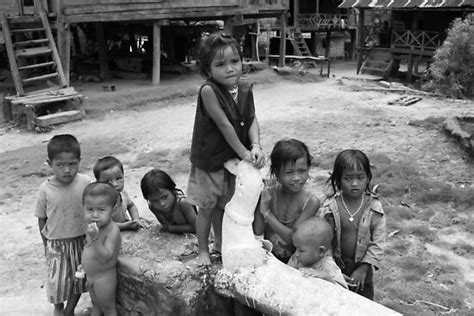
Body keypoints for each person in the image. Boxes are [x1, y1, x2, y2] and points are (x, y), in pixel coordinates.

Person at [187, 31, 265, 265]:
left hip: (232, 159)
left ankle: (221, 244)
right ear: (208, 70)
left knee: (226, 203)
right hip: (210, 159)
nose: (230, 68)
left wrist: (256, 145)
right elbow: (224, 125)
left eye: (235, 61)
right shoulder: (209, 91)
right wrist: (244, 153)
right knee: (207, 207)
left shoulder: (244, 88)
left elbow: (251, 119)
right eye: (220, 64)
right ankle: (203, 249)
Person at [34, 134, 92, 316]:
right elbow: (41, 218)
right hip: (56, 245)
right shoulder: (45, 189)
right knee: (57, 283)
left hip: (82, 241)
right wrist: (46, 244)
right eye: (60, 165)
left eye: (72, 164)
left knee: (79, 279)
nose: (67, 170)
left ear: (79, 161)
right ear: (49, 163)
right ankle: (59, 309)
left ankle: (70, 310)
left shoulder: (86, 182)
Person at [317, 149, 386, 300]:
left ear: (368, 178)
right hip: (335, 267)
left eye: (360, 177)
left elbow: (378, 242)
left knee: (363, 306)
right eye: (348, 178)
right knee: (336, 304)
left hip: (363, 269)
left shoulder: (374, 208)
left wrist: (363, 268)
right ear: (338, 180)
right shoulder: (330, 208)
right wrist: (333, 270)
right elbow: (323, 240)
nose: (354, 183)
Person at [253, 139, 320, 264]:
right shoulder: (269, 194)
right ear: (277, 173)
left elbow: (293, 238)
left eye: (302, 171)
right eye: (289, 172)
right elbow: (258, 231)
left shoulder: (311, 202)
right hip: (271, 258)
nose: (296, 178)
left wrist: (267, 213)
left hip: (297, 262)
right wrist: (261, 206)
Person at [81, 182, 121, 316]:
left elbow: (106, 257)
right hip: (91, 276)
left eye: (101, 210)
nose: (95, 215)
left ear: (113, 210)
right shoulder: (92, 226)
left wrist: (95, 238)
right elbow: (88, 247)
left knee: (109, 309)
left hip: (104, 278)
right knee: (96, 305)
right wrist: (83, 267)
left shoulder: (112, 231)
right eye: (90, 209)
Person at [287, 217, 348, 289]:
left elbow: (343, 292)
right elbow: (285, 276)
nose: (296, 254)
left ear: (321, 251)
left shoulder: (329, 267)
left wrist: (326, 278)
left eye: (301, 250)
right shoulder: (296, 260)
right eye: (295, 248)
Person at [140, 169, 197, 233]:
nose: (162, 204)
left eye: (165, 197)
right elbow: (165, 226)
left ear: (172, 190)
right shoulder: (153, 206)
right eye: (155, 201)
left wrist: (172, 228)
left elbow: (197, 227)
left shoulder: (183, 203)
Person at [93, 156, 140, 231]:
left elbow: (131, 206)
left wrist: (136, 220)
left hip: (126, 227)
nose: (115, 184)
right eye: (108, 181)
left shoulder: (123, 193)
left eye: (118, 178)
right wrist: (125, 226)